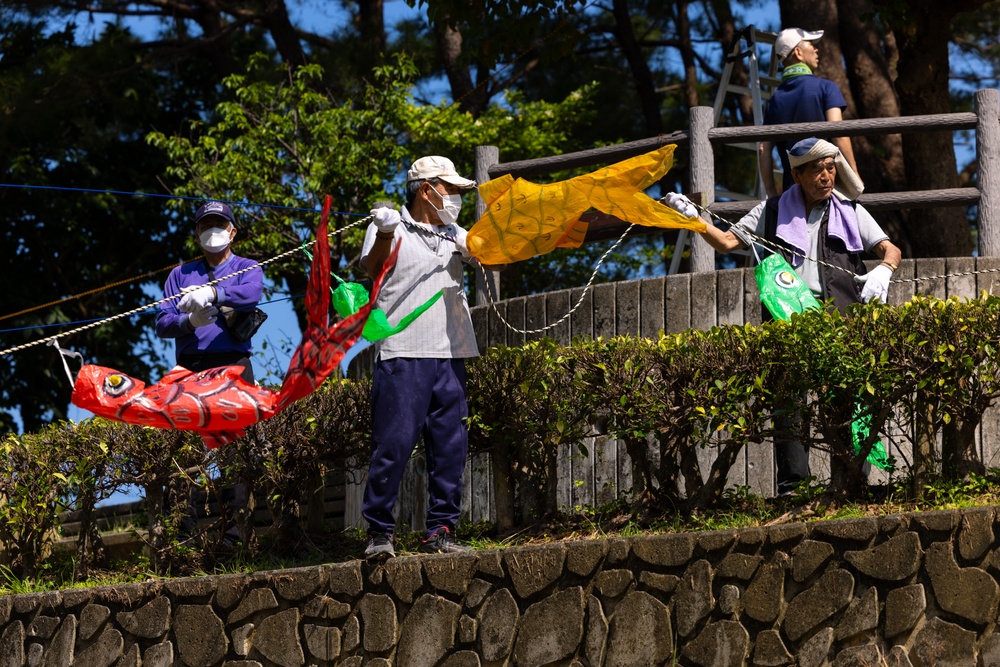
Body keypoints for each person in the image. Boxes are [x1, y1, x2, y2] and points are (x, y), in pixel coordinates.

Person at [669, 137, 902, 496]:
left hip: (839, 317)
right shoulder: (772, 210)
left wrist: (885, 269)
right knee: (788, 401)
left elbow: (890, 249)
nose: (826, 177)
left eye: (830, 168)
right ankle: (794, 486)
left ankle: (852, 482)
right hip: (787, 317)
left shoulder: (850, 210)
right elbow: (728, 242)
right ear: (796, 174)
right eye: (817, 170)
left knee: (848, 399)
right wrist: (695, 220)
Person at [359, 155, 484, 559]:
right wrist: (382, 233)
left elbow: (490, 252)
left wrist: (481, 246)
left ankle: (441, 531)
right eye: (450, 189)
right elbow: (371, 268)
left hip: (453, 351)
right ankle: (379, 532)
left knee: (450, 447)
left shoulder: (455, 233)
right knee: (393, 444)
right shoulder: (389, 227)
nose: (456, 198)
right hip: (403, 352)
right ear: (425, 189)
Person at [155, 200, 264, 544]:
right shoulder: (180, 275)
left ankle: (235, 535)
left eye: (219, 224)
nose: (211, 231)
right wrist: (189, 321)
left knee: (236, 451)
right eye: (205, 225)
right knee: (185, 450)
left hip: (234, 364)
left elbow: (252, 292)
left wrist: (214, 292)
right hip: (191, 368)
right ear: (196, 233)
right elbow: (162, 321)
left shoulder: (247, 267)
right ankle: (184, 536)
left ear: (233, 231)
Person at [759, 27, 860, 198]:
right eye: (810, 44)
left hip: (793, 194)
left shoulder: (774, 100)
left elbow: (763, 148)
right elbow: (839, 135)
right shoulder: (826, 88)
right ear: (798, 53)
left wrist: (771, 195)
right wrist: (855, 177)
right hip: (828, 188)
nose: (816, 49)